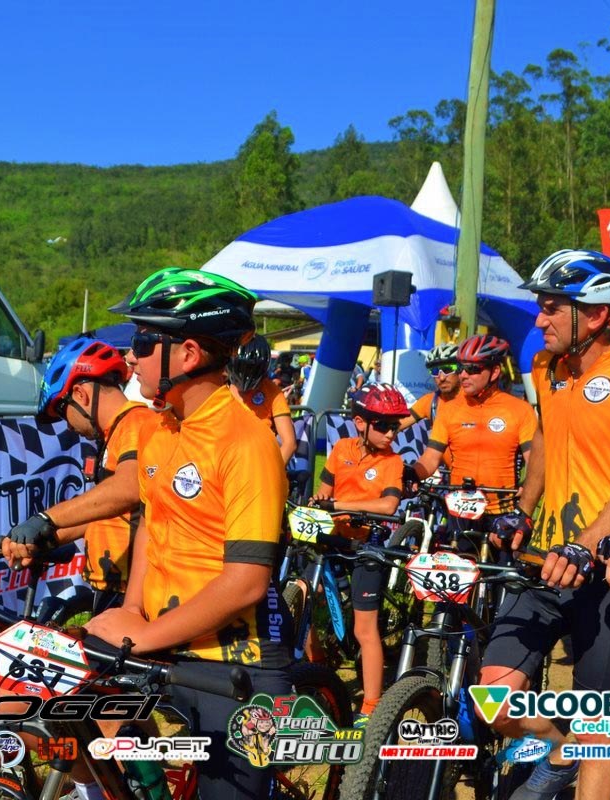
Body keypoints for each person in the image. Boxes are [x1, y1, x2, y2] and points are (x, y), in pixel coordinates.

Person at [83, 267, 291, 800]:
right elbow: (153, 528)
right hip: (166, 642)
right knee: (87, 746)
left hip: (235, 664)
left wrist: (144, 637)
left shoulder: (247, 442)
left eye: (142, 342)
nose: (130, 357)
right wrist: (133, 610)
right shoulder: (162, 428)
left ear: (189, 354)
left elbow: (245, 582)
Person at [479, 249, 610, 800]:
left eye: (550, 308)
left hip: (606, 569)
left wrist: (585, 546)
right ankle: (560, 750)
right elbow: (545, 436)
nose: (538, 320)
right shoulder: (547, 368)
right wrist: (523, 505)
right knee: (494, 700)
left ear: (595, 313)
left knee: (597, 722)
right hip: (543, 559)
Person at [2, 337, 159, 615]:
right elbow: (110, 513)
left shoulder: (137, 422)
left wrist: (45, 519)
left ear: (80, 394)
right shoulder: (115, 434)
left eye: (63, 412)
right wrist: (44, 538)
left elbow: (128, 488)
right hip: (113, 588)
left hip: (134, 595)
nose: (68, 426)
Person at [310, 382, 408, 726]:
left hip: (370, 544)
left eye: (395, 425)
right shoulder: (341, 448)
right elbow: (324, 492)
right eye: (383, 425)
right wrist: (321, 502)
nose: (391, 433)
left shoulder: (393, 461)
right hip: (336, 539)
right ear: (360, 422)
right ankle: (318, 677)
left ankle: (371, 706)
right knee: (306, 599)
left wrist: (338, 504)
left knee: (364, 630)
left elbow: (389, 505)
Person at [410, 334, 537, 542]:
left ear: (494, 372)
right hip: (460, 510)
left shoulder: (519, 410)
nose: (463, 375)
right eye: (461, 368)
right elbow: (431, 458)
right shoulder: (449, 409)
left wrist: (527, 485)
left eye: (473, 369)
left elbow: (534, 461)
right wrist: (411, 474)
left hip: (503, 512)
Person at [227, 334, 297, 465]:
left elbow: (289, 443)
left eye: (251, 369)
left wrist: (272, 472)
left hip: (260, 462)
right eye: (243, 368)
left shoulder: (273, 393)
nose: (246, 373)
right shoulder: (220, 389)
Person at [404, 342, 463, 429]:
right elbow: (398, 425)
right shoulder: (430, 401)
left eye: (447, 370)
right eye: (435, 371)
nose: (442, 378)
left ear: (460, 369)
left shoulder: (475, 398)